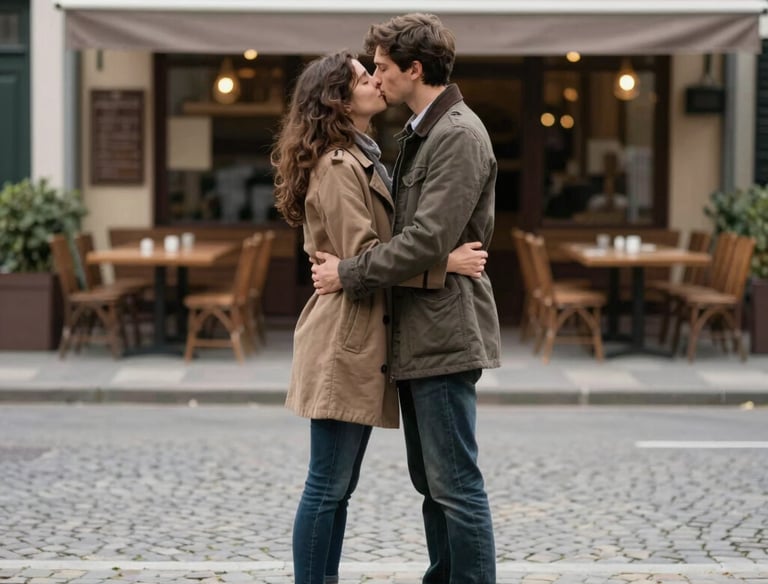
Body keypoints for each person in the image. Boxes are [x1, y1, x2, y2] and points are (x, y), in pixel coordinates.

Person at [271, 50, 488, 584]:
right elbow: (364, 257)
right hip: (343, 340)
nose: (375, 80)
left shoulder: (364, 156)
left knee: (336, 486)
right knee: (328, 485)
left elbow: (364, 259)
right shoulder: (339, 166)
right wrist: (445, 263)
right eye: (363, 77)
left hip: (360, 334)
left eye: (375, 72)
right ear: (339, 101)